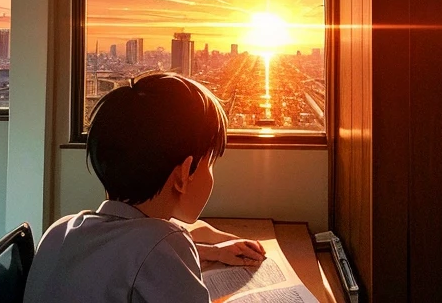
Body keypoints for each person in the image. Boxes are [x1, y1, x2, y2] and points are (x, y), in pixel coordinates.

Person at [23, 72, 266, 303]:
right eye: (211, 164)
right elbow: (152, 255)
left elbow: (132, 258)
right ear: (183, 175)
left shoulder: (61, 229)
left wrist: (215, 252)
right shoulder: (165, 243)